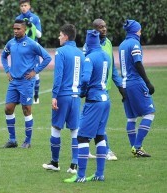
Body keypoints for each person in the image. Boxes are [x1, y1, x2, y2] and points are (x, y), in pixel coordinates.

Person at [64, 30, 111, 183]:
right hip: (105, 99)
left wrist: (83, 92)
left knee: (82, 137)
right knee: (99, 135)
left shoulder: (90, 58)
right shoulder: (106, 55)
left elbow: (84, 79)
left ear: (88, 43)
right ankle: (99, 174)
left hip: (94, 101)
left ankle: (81, 176)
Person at [1, 19, 51, 148]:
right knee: (8, 108)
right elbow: (3, 56)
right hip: (13, 82)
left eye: (18, 29)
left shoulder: (32, 44)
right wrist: (7, 70)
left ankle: (27, 141)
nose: (15, 31)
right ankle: (12, 140)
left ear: (24, 30)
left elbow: (47, 58)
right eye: (14, 29)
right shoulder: (10, 43)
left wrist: (35, 71)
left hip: (26, 82)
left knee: (26, 109)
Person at [42, 24, 84, 174]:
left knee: (56, 128)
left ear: (66, 36)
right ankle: (74, 165)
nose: (58, 37)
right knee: (75, 130)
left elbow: (58, 76)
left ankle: (55, 162)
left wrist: (54, 96)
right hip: (76, 97)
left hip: (63, 96)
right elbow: (84, 76)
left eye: (60, 35)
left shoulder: (60, 52)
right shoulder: (81, 53)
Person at [83, 19, 126, 161]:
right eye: (101, 27)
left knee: (97, 122)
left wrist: (120, 87)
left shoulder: (108, 43)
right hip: (92, 92)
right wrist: (83, 90)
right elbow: (85, 71)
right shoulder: (87, 47)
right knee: (98, 122)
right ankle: (105, 150)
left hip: (104, 90)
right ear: (94, 30)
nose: (104, 29)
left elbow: (112, 68)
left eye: (105, 26)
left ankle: (85, 148)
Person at [118, 19, 155, 157]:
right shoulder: (134, 43)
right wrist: (148, 82)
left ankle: (135, 149)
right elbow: (138, 63)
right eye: (139, 29)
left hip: (125, 84)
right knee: (149, 113)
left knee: (131, 118)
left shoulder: (122, 44)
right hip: (135, 83)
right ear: (135, 31)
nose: (141, 32)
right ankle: (137, 146)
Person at [16, 0, 42, 104]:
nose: (23, 7)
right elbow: (16, 35)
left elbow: (39, 35)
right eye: (21, 6)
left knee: (35, 73)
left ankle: (36, 95)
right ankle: (22, 96)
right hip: (21, 50)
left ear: (29, 6)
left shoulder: (35, 18)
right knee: (20, 72)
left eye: (25, 5)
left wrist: (30, 25)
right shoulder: (18, 19)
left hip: (33, 50)